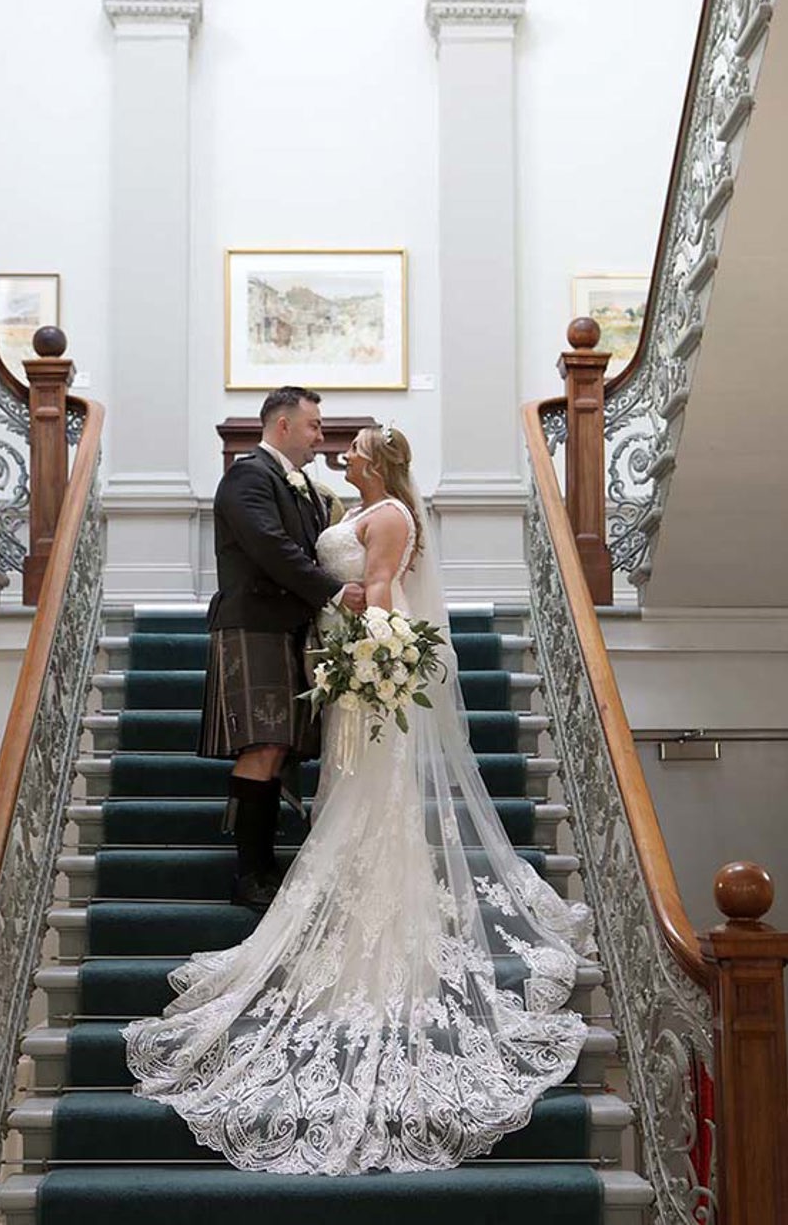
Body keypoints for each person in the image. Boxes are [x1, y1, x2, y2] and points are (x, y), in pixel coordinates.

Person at [125, 425, 595, 1175]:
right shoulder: (352, 506)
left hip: (365, 668)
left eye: (354, 449)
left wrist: (370, 661)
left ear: (374, 462)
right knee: (343, 792)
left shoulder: (391, 517)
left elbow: (379, 593)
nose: (340, 450)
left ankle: (372, 902)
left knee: (370, 798)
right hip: (342, 664)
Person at [198, 386, 365, 913]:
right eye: (314, 425)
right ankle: (249, 872)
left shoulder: (304, 487)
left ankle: (264, 866)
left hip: (288, 627)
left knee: (279, 747)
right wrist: (335, 591)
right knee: (263, 745)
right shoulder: (249, 475)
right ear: (283, 426)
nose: (321, 435)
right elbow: (271, 546)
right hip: (254, 625)